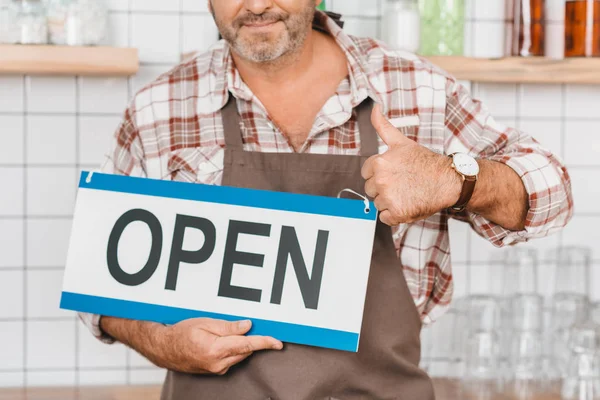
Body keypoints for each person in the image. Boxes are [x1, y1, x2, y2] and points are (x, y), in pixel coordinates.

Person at [81, 1, 573, 399]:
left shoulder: (416, 92)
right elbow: (93, 288)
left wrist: (457, 180)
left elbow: (553, 193)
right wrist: (161, 340)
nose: (254, 5)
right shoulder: (157, 109)